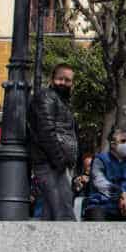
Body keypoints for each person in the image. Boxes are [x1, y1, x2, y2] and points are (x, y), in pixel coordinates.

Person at [28, 63, 80, 221]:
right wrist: (60, 160)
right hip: (50, 163)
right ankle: (68, 245)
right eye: (60, 79)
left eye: (68, 80)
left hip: (56, 163)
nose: (63, 83)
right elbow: (46, 131)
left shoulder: (60, 101)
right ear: (52, 79)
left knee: (52, 212)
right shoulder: (47, 97)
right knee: (63, 212)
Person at [84, 128, 126, 221]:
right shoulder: (100, 159)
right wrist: (122, 195)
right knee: (96, 217)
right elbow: (99, 182)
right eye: (123, 141)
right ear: (113, 144)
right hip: (102, 205)